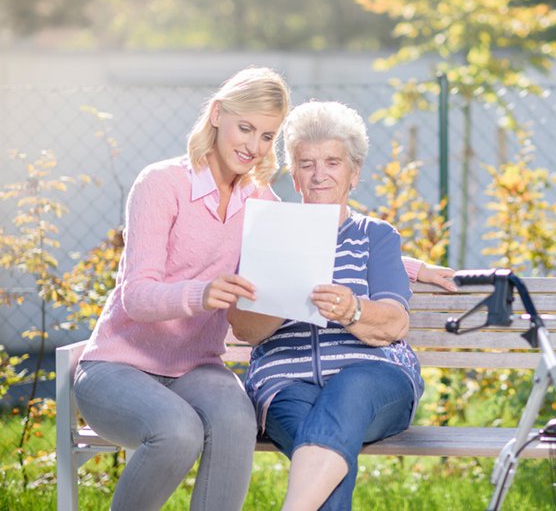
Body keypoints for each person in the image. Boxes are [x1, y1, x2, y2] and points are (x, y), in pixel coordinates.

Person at [73, 68, 453, 510]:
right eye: (246, 128)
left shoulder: (260, 204)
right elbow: (135, 296)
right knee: (179, 431)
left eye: (267, 136)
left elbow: (327, 235)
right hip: (123, 363)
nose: (254, 146)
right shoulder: (162, 183)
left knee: (238, 420)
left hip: (195, 366)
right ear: (216, 115)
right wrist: (201, 293)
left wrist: (409, 265)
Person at [229, 100, 434, 511]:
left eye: (332, 162)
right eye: (306, 163)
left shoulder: (376, 236)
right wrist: (285, 295)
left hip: (377, 383)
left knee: (349, 387)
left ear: (353, 172)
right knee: (322, 452)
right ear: (294, 175)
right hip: (286, 386)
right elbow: (244, 331)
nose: (319, 174)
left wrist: (353, 311)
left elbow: (394, 324)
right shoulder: (268, 232)